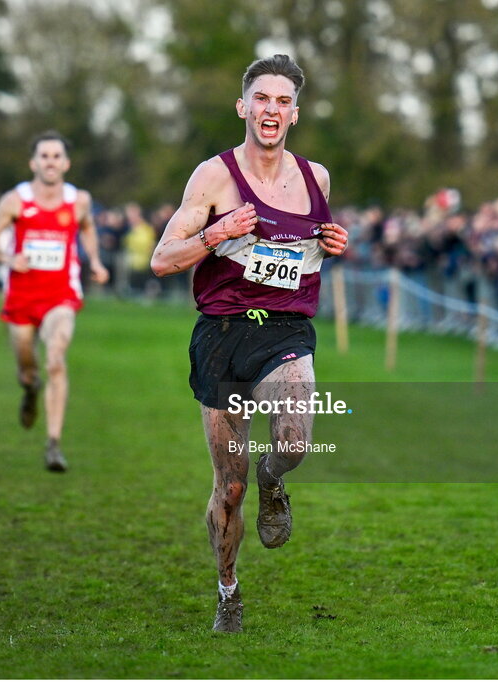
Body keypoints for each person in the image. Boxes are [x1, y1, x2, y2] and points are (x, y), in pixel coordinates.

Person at [150, 54, 349, 633]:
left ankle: (275, 480)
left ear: (294, 114)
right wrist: (218, 232)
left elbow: (304, 250)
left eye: (283, 101)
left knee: (293, 440)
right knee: (228, 487)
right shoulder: (213, 177)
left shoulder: (317, 178)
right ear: (243, 106)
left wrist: (333, 243)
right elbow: (163, 259)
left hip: (287, 331)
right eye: (262, 98)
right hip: (223, 335)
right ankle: (228, 589)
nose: (271, 110)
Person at [0, 131, 109, 472]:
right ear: (33, 162)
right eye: (44, 156)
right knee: (27, 366)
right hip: (21, 296)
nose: (50, 162)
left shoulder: (78, 200)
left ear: (65, 163)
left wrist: (94, 261)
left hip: (60, 296)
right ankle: (29, 388)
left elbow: (89, 229)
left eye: (56, 156)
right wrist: (9, 260)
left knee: (55, 359)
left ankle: (53, 443)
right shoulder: (15, 200)